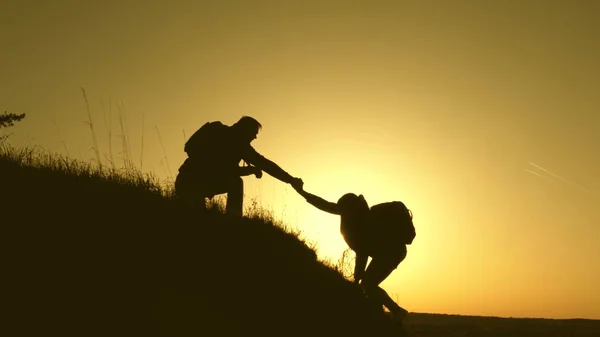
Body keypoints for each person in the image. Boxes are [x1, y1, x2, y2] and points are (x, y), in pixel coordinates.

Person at [293, 183, 415, 322]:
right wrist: (303, 193)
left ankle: (397, 312)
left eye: (343, 211)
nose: (341, 214)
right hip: (390, 251)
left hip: (393, 252)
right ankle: (380, 311)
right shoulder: (359, 215)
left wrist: (357, 280)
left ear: (349, 210)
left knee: (368, 284)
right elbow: (326, 205)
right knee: (368, 285)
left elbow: (362, 253)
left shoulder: (361, 224)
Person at [175, 116, 303, 216]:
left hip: (197, 183)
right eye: (253, 133)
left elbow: (265, 164)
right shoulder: (217, 130)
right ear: (244, 129)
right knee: (235, 183)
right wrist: (250, 170)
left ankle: (232, 222)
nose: (255, 137)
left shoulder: (241, 146)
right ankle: (234, 221)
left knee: (198, 213)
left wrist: (290, 179)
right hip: (189, 182)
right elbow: (190, 148)